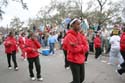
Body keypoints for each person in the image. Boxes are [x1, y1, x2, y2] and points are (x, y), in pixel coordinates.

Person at [63, 18, 88, 83]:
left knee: (81, 79)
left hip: (81, 59)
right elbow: (74, 50)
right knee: (77, 81)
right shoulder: (68, 36)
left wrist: (78, 46)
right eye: (77, 24)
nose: (79, 26)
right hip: (73, 60)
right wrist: (82, 47)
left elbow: (87, 47)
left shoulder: (80, 35)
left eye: (80, 24)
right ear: (72, 25)